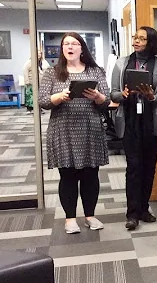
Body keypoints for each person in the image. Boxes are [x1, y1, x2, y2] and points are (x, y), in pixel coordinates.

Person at [38, 32, 110, 234]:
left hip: (90, 129)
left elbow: (106, 103)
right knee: (68, 175)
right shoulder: (52, 73)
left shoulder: (96, 71)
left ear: (82, 48)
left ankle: (90, 215)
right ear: (62, 49)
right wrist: (59, 96)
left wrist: (96, 96)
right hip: (63, 129)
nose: (70, 47)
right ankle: (70, 218)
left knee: (90, 175)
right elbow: (42, 101)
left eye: (74, 44)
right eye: (66, 44)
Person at [110, 26, 157, 231]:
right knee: (134, 166)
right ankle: (132, 213)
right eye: (135, 38)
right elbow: (113, 94)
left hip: (151, 121)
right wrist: (124, 94)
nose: (136, 41)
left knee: (149, 166)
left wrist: (152, 96)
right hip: (129, 120)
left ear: (151, 42)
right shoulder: (121, 63)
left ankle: (144, 208)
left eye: (142, 39)